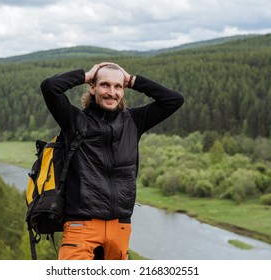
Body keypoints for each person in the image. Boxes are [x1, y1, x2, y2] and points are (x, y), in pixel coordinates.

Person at [40, 62, 184, 260]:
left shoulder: (134, 121)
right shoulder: (74, 121)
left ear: (123, 90)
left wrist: (133, 80)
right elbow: (49, 87)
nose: (112, 92)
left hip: (120, 226)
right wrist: (86, 75)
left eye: (118, 86)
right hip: (82, 225)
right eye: (104, 85)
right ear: (92, 87)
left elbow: (174, 100)